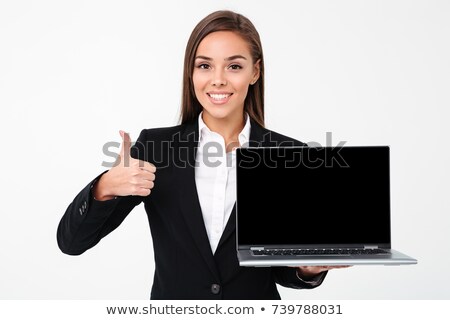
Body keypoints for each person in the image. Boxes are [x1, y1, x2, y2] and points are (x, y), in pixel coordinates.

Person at [57, 10, 346, 299]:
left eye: (234, 66)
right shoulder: (157, 149)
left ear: (255, 72)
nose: (218, 80)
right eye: (205, 66)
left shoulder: (290, 155)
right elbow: (72, 243)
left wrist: (308, 268)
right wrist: (105, 186)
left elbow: (279, 271)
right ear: (191, 72)